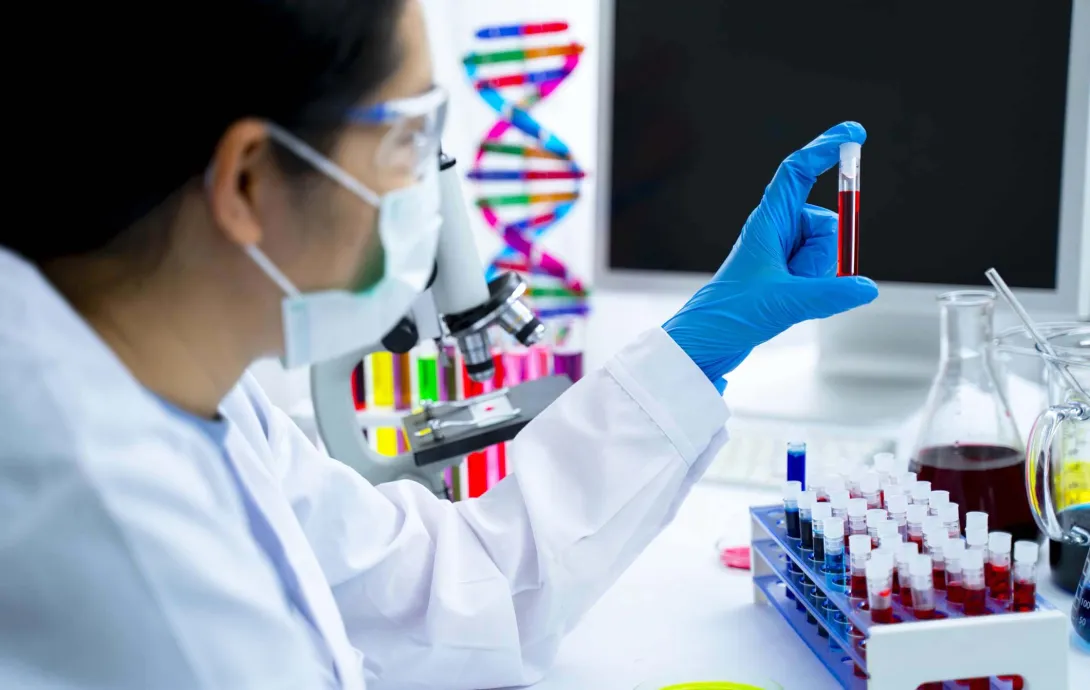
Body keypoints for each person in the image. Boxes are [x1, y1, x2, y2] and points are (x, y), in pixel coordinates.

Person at [0, 2, 877, 688]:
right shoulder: (119, 547)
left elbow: (448, 594)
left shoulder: (190, 391)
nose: (429, 182)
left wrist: (696, 347)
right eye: (409, 136)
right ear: (248, 180)